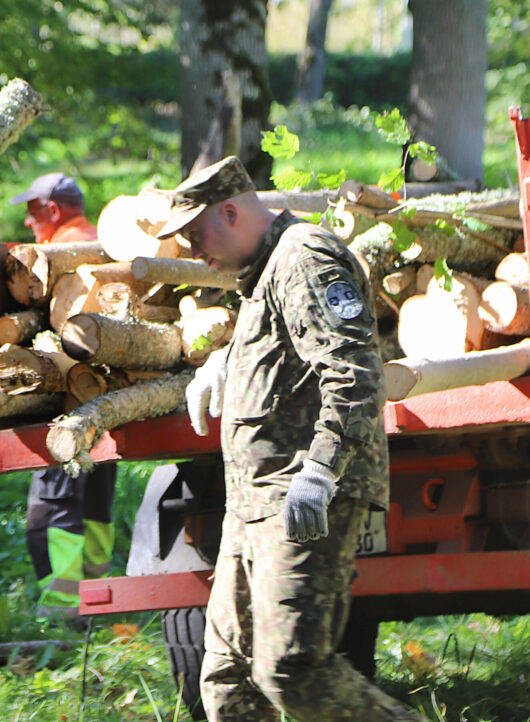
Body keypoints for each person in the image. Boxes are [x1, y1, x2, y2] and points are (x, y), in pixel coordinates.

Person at [156, 156, 421, 721]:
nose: (190, 250)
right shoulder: (263, 273)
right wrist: (225, 362)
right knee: (228, 681)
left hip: (299, 499)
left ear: (230, 210)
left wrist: (321, 471)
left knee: (291, 670)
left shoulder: (302, 257)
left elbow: (354, 372)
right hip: (251, 506)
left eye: (194, 233)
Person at [9, 173, 117, 619]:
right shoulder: (100, 241)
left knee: (52, 504)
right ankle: (98, 598)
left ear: (53, 210)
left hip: (68, 400)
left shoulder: (54, 258)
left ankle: (61, 606)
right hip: (109, 399)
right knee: (96, 498)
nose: (30, 223)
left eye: (33, 212)